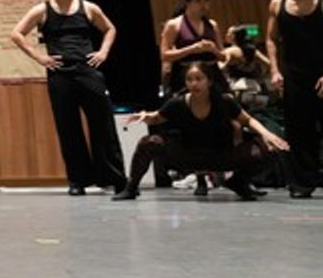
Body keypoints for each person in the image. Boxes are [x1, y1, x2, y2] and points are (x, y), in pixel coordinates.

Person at [10, 0, 127, 195]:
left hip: (87, 71)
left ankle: (114, 178)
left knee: (103, 125)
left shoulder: (89, 8)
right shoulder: (41, 10)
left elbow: (110, 29)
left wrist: (103, 52)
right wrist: (39, 57)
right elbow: (16, 33)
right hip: (59, 73)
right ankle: (78, 180)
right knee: (68, 128)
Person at [113, 62, 288, 200]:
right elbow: (158, 117)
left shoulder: (224, 101)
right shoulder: (178, 102)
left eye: (199, 78)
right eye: (189, 79)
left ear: (209, 81)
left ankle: (238, 182)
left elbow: (247, 120)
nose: (193, 83)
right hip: (189, 155)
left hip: (222, 155)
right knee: (148, 143)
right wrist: (146, 115)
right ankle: (131, 188)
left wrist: (267, 134)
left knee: (271, 151)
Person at [265, 0, 323, 198]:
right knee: (299, 130)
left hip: (320, 71)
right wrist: (275, 70)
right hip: (294, 74)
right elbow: (270, 39)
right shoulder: (277, 4)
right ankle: (302, 183)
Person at [159, 0, 226, 92]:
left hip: (211, 77)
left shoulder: (212, 25)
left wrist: (213, 50)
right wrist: (192, 49)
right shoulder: (174, 25)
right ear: (187, 2)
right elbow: (164, 56)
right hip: (185, 78)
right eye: (198, 1)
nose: (203, 5)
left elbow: (224, 57)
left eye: (206, 0)